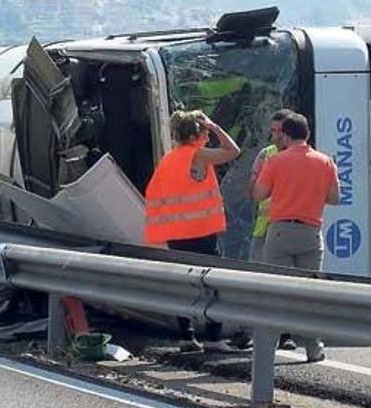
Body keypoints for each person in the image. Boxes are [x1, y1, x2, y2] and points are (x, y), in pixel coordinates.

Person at [144, 109, 241, 353]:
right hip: (201, 232)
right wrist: (216, 126)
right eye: (206, 133)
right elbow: (233, 152)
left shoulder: (169, 159)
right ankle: (213, 336)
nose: (208, 137)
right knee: (213, 285)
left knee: (183, 284)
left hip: (176, 234)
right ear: (198, 133)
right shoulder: (197, 155)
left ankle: (186, 336)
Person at [252, 112, 339, 362]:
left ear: (287, 136)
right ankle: (313, 348)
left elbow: (259, 194)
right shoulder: (325, 162)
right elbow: (334, 198)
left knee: (275, 291)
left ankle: (267, 351)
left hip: (280, 231)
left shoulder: (276, 161)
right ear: (308, 134)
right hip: (311, 233)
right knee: (309, 294)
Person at [244, 108, 298, 350]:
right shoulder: (266, 154)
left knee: (288, 282)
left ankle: (286, 332)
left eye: (279, 131)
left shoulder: (302, 156)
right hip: (263, 227)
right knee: (257, 283)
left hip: (286, 225)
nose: (275, 135)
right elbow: (251, 191)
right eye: (273, 130)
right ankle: (253, 331)